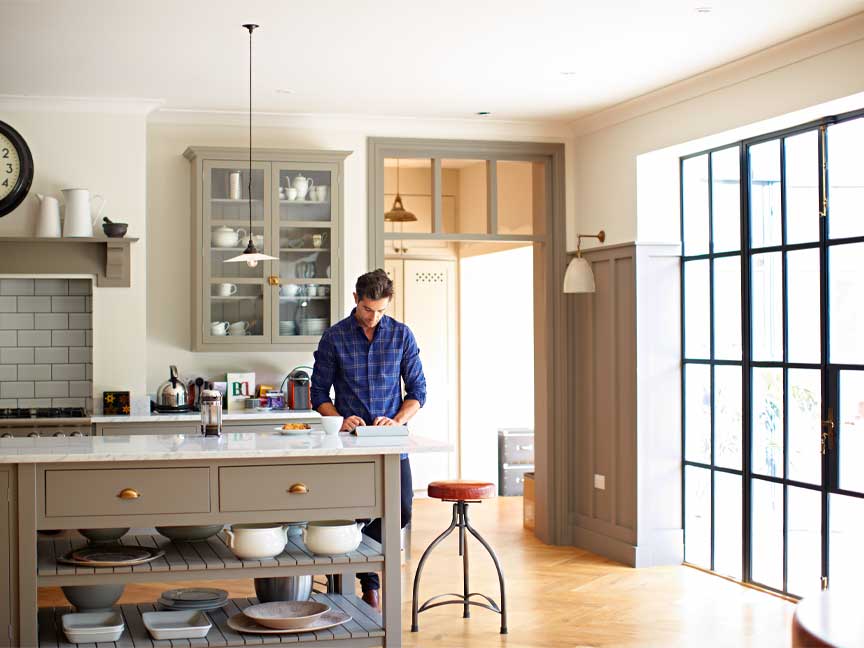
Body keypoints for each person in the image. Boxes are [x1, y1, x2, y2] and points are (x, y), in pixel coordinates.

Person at [311, 268, 427, 610]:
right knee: (351, 513)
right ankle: (369, 582)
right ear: (355, 300)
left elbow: (418, 391)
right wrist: (340, 420)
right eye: (367, 309)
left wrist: (397, 421)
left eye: (380, 310)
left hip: (392, 445)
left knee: (400, 509)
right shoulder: (334, 337)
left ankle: (365, 568)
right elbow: (318, 393)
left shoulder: (402, 336)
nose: (373, 317)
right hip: (349, 445)